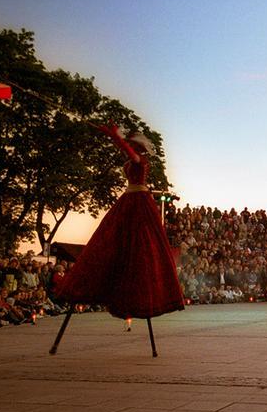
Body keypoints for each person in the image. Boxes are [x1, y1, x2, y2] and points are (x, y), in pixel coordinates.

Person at [53, 124, 184, 354]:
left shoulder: (140, 160)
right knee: (108, 243)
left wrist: (115, 136)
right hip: (129, 200)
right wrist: (111, 136)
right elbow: (124, 150)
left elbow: (129, 154)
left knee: (141, 248)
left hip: (138, 202)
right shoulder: (132, 157)